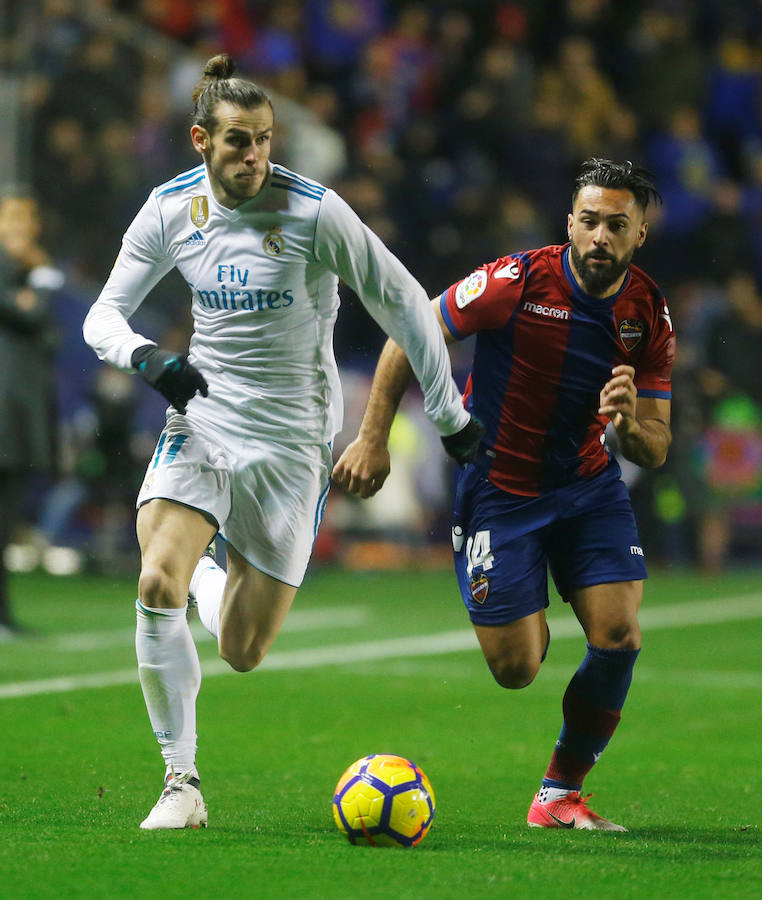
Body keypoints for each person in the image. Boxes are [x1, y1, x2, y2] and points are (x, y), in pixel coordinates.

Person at [82, 54, 482, 831]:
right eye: (239, 141)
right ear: (202, 140)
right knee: (155, 581)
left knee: (242, 649)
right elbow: (103, 316)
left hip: (294, 439)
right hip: (203, 415)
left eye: (264, 140)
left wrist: (449, 414)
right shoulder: (169, 209)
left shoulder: (313, 212)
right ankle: (180, 783)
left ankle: (206, 577)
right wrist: (148, 358)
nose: (255, 156)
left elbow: (404, 300)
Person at [334, 158, 675, 831]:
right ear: (569, 223)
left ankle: (559, 795)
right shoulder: (514, 282)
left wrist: (629, 427)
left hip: (586, 485)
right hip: (499, 488)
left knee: (619, 634)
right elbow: (409, 334)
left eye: (616, 225)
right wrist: (372, 438)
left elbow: (656, 444)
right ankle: (526, 609)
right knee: (516, 669)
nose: (600, 236)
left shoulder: (647, 313)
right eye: (589, 221)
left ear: (640, 234)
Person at [0, 187, 63, 638]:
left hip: (15, 414)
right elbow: (32, 316)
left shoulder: (22, 274)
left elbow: (46, 330)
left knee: (6, 521)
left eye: (29, 222)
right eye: (15, 222)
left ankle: (3, 615)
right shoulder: (17, 271)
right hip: (7, 413)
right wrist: (38, 277)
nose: (25, 231)